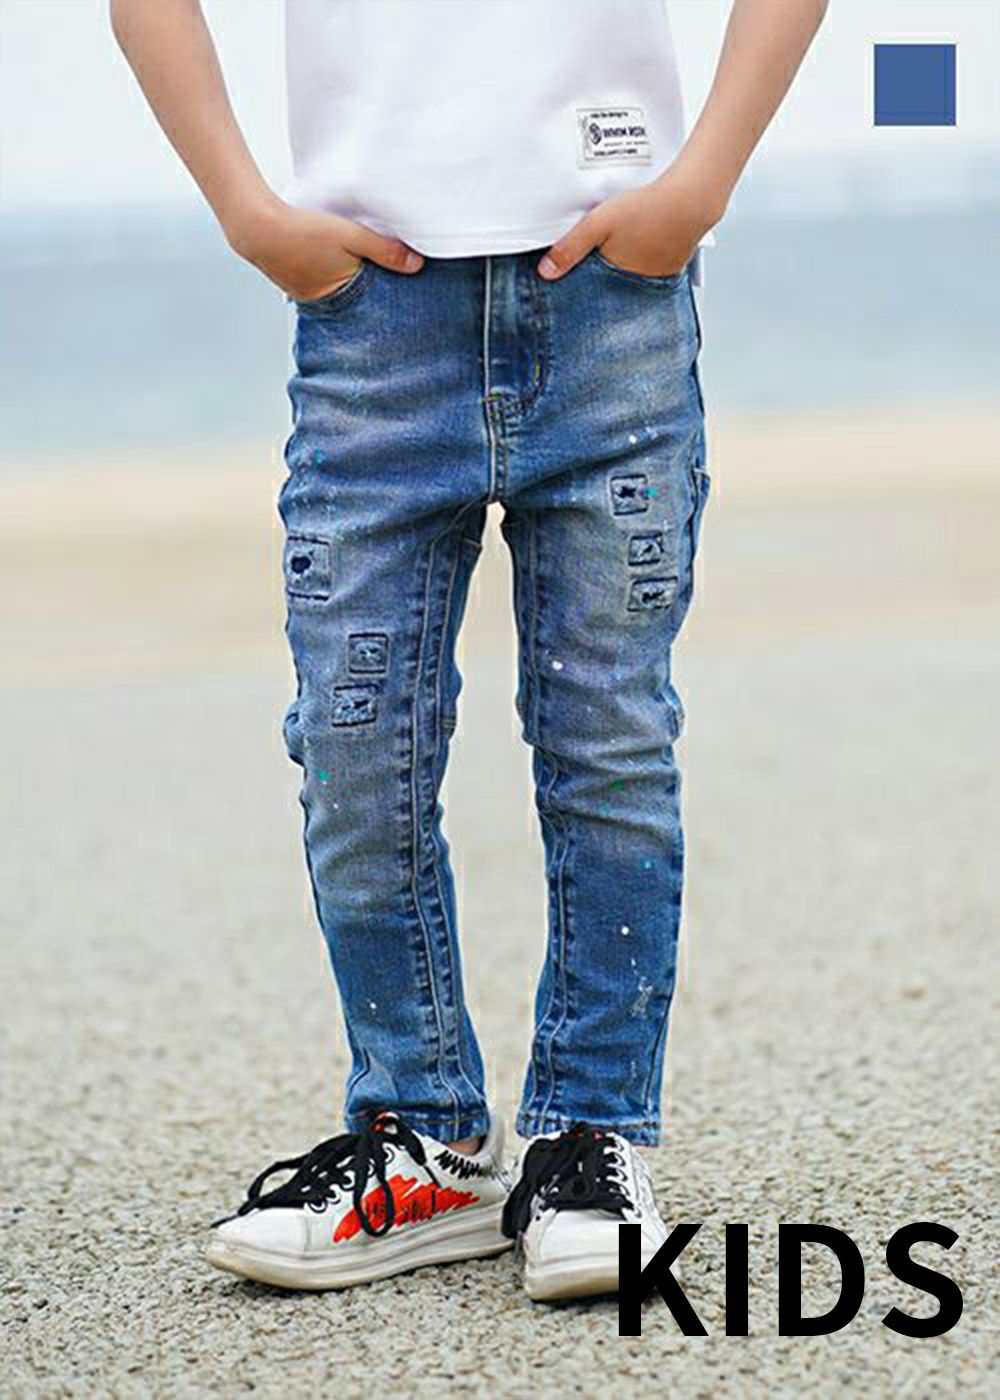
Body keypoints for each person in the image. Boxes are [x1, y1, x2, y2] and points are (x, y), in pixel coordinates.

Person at [111, 0, 827, 1301]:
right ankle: (422, 1136)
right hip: (373, 321)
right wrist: (248, 213)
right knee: (355, 757)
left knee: (609, 746)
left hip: (614, 300)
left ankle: (591, 1136)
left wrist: (702, 180)